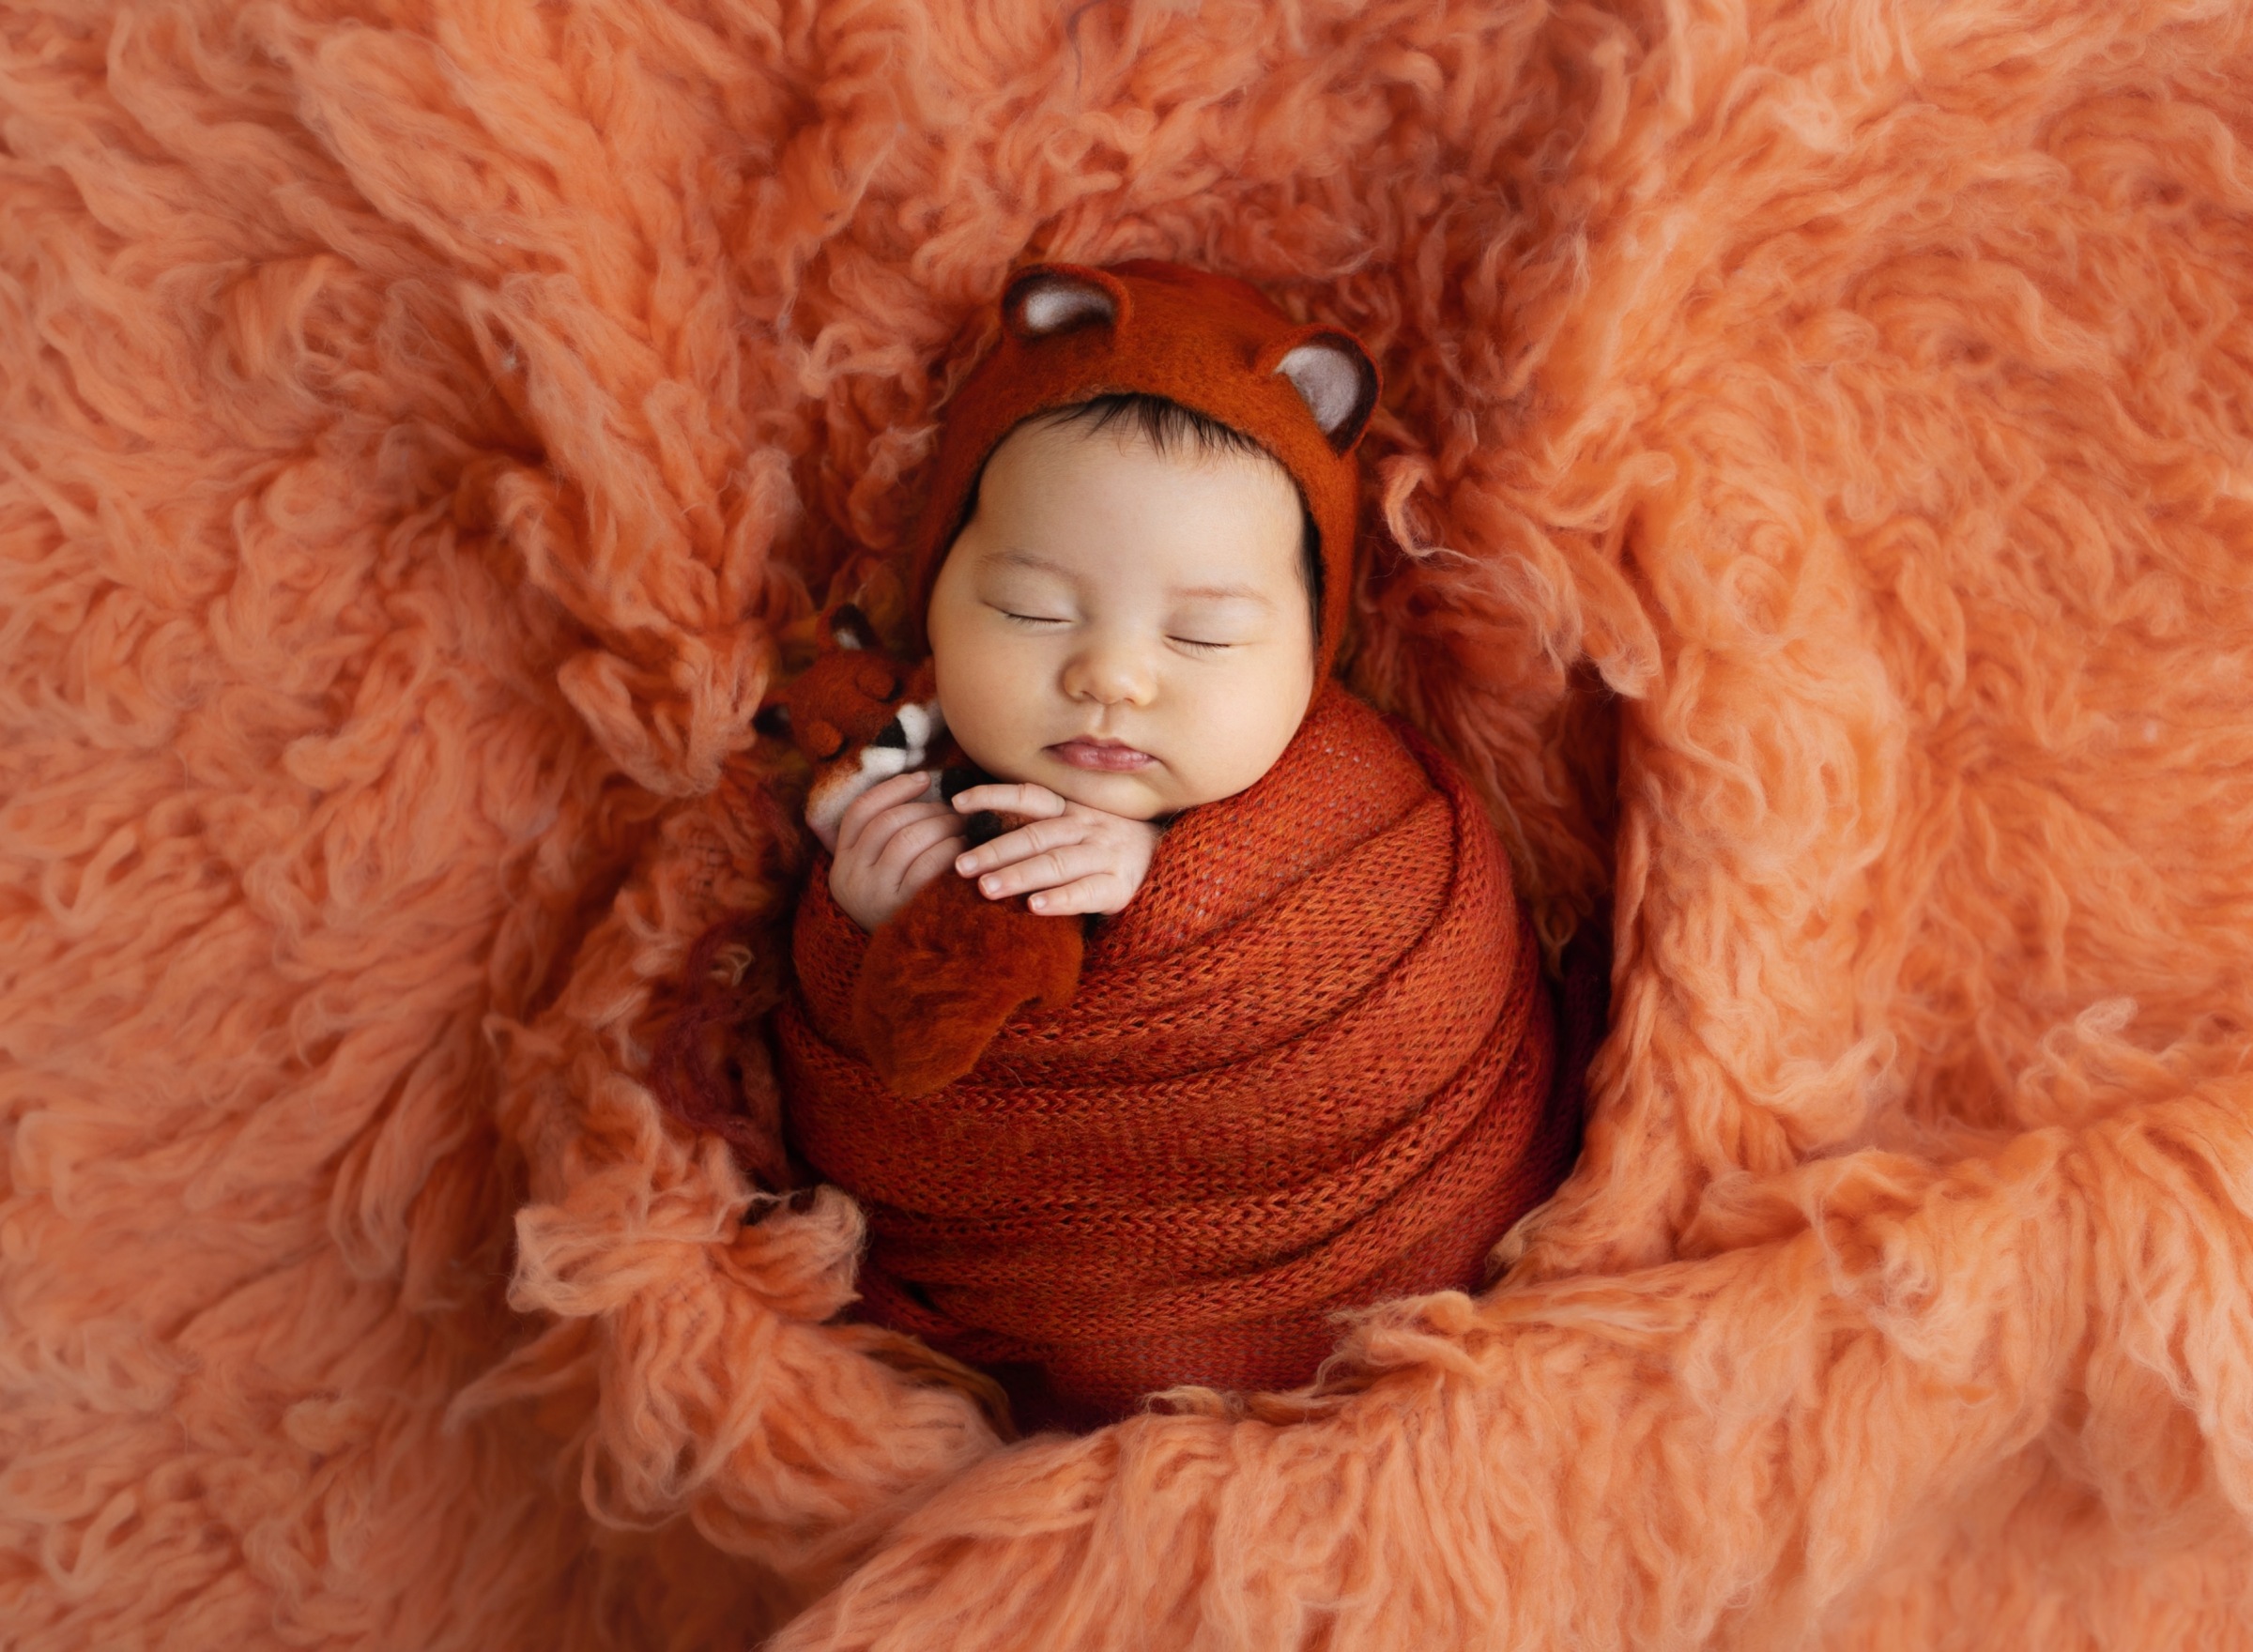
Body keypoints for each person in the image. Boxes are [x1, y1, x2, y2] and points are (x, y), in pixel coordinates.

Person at [774, 260, 1591, 1431]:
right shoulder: (903, 793)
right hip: (1068, 1369)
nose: (1112, 673)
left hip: (1421, 1324)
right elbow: (855, 1135)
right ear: (934, 602)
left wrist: (1172, 888)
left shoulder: (1362, 802)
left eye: (1204, 633)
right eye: (1031, 610)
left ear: (1311, 660)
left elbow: (1434, 989)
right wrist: (858, 932)